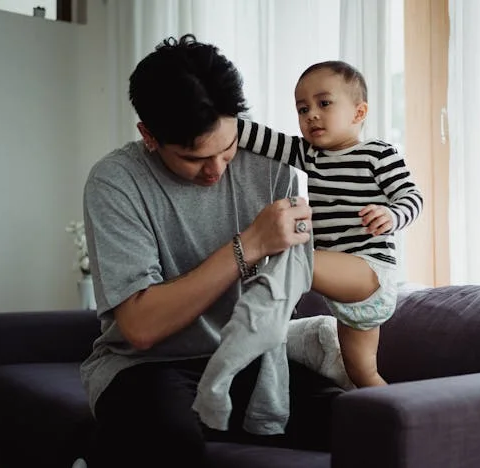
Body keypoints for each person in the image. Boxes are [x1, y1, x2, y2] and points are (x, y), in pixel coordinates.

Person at [80, 34, 342, 468]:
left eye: (227, 148)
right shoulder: (116, 181)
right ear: (148, 135)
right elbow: (140, 327)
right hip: (147, 367)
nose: (217, 169)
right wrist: (250, 244)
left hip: (249, 357)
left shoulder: (271, 163)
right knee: (168, 439)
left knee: (356, 423)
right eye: (193, 158)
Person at [236, 60, 424, 388]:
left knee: (294, 258)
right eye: (302, 108)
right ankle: (399, 421)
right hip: (346, 298)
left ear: (359, 112)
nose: (311, 115)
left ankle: (259, 318)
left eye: (324, 103)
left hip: (368, 273)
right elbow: (260, 139)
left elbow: (412, 197)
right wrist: (220, 123)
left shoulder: (378, 154)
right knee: (361, 374)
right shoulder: (309, 155)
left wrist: (392, 215)